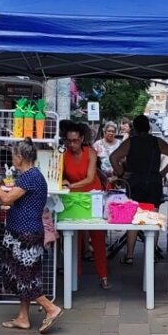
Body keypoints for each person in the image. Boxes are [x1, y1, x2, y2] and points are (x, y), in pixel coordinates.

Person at [0, 139, 63, 333]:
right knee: (26, 274)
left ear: (20, 157)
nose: (12, 159)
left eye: (13, 156)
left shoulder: (28, 177)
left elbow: (6, 199)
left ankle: (51, 308)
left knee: (23, 276)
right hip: (28, 231)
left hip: (24, 234)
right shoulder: (33, 176)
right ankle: (23, 317)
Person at [110, 115, 168, 264]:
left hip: (134, 183)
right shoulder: (157, 142)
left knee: (134, 218)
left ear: (134, 128)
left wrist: (121, 173)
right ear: (149, 127)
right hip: (153, 182)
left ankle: (129, 255)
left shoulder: (130, 142)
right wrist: (162, 172)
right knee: (153, 218)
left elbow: (113, 157)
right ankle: (152, 255)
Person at [62, 124, 111, 289]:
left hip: (92, 195)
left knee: (97, 237)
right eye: (69, 141)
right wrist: (63, 182)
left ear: (82, 139)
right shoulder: (63, 155)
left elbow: (90, 178)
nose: (72, 144)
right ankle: (74, 275)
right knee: (73, 237)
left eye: (75, 140)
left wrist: (70, 185)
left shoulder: (91, 152)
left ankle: (103, 275)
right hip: (74, 197)